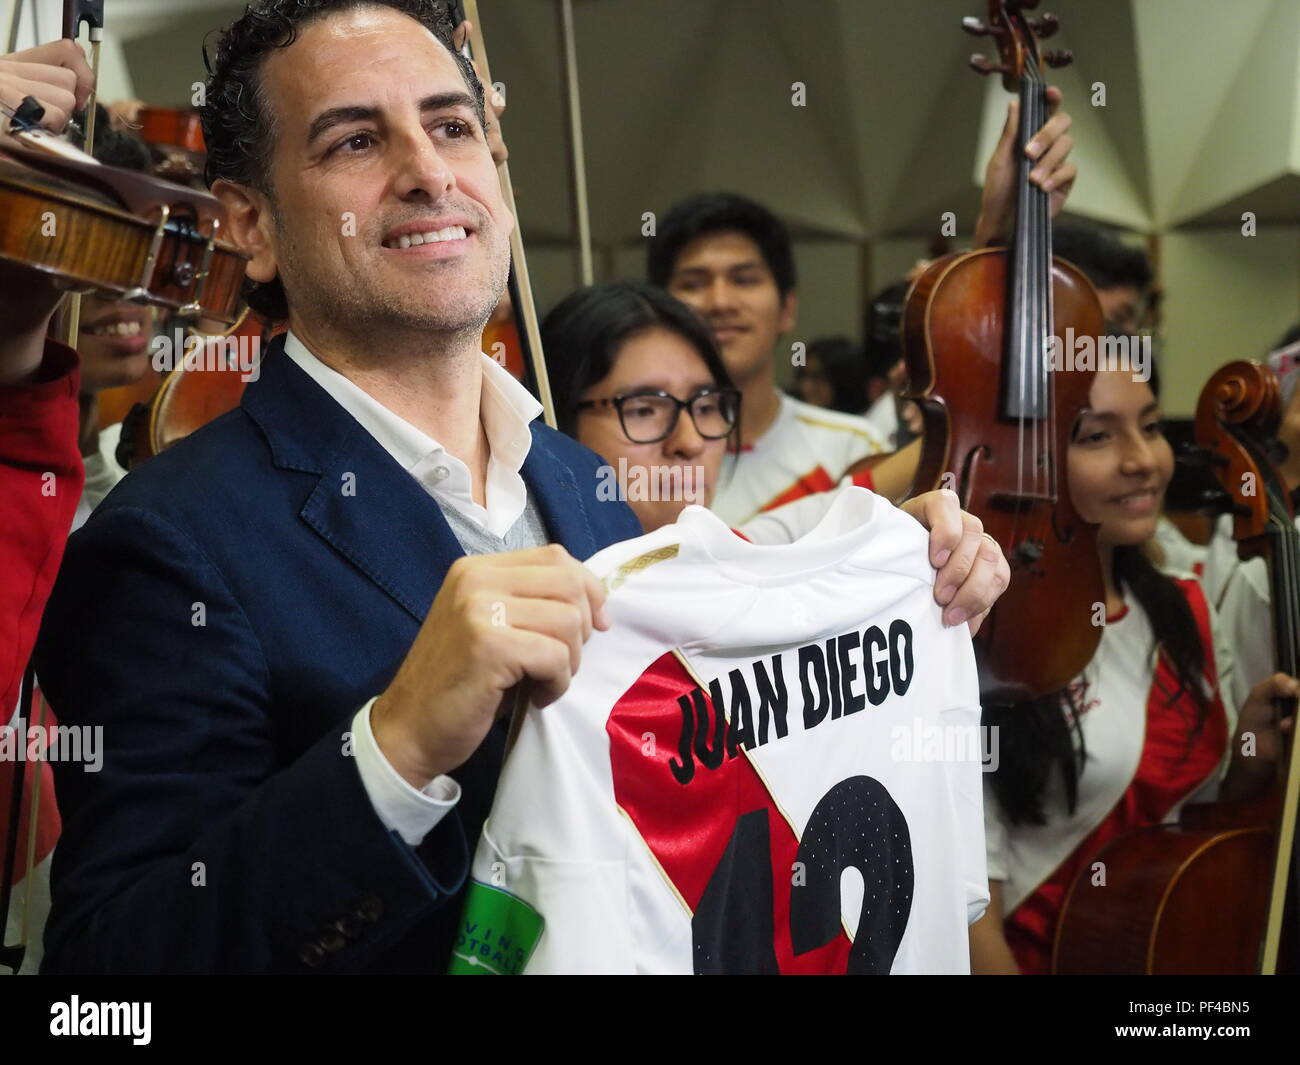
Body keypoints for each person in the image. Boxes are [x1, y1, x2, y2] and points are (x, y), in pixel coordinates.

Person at [33, 0, 645, 975]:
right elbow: (110, 984)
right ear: (250, 225)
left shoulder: (584, 481)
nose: (428, 172)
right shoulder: (168, 544)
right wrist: (393, 751)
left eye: (452, 126)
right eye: (356, 139)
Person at [967, 367, 1296, 974]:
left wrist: (1248, 756)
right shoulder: (983, 640)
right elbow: (970, 917)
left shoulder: (1185, 607)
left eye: (1149, 427)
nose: (1143, 460)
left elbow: (1184, 829)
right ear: (1025, 464)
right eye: (1097, 437)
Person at [646, 98, 1077, 523]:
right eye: (694, 283)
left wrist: (996, 244)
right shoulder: (634, 454)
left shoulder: (854, 446)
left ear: (787, 308)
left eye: (744, 279)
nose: (721, 302)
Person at [542, 279, 1010, 631]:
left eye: (707, 406)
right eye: (644, 409)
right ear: (555, 423)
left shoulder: (744, 557)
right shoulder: (543, 609)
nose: (688, 441)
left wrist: (922, 546)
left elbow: (849, 510)